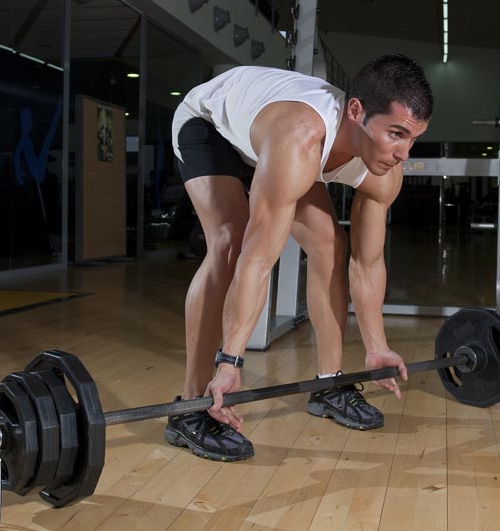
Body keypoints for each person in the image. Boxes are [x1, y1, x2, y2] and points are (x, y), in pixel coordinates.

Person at [164, 54, 433, 461]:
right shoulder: (301, 138)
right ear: (357, 112)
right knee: (231, 242)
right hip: (212, 125)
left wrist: (376, 346)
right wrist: (231, 362)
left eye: (413, 138)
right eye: (396, 134)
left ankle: (329, 383)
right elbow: (257, 260)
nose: (403, 153)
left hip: (268, 139)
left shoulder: (384, 170)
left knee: (330, 243)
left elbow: (368, 263)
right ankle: (189, 407)